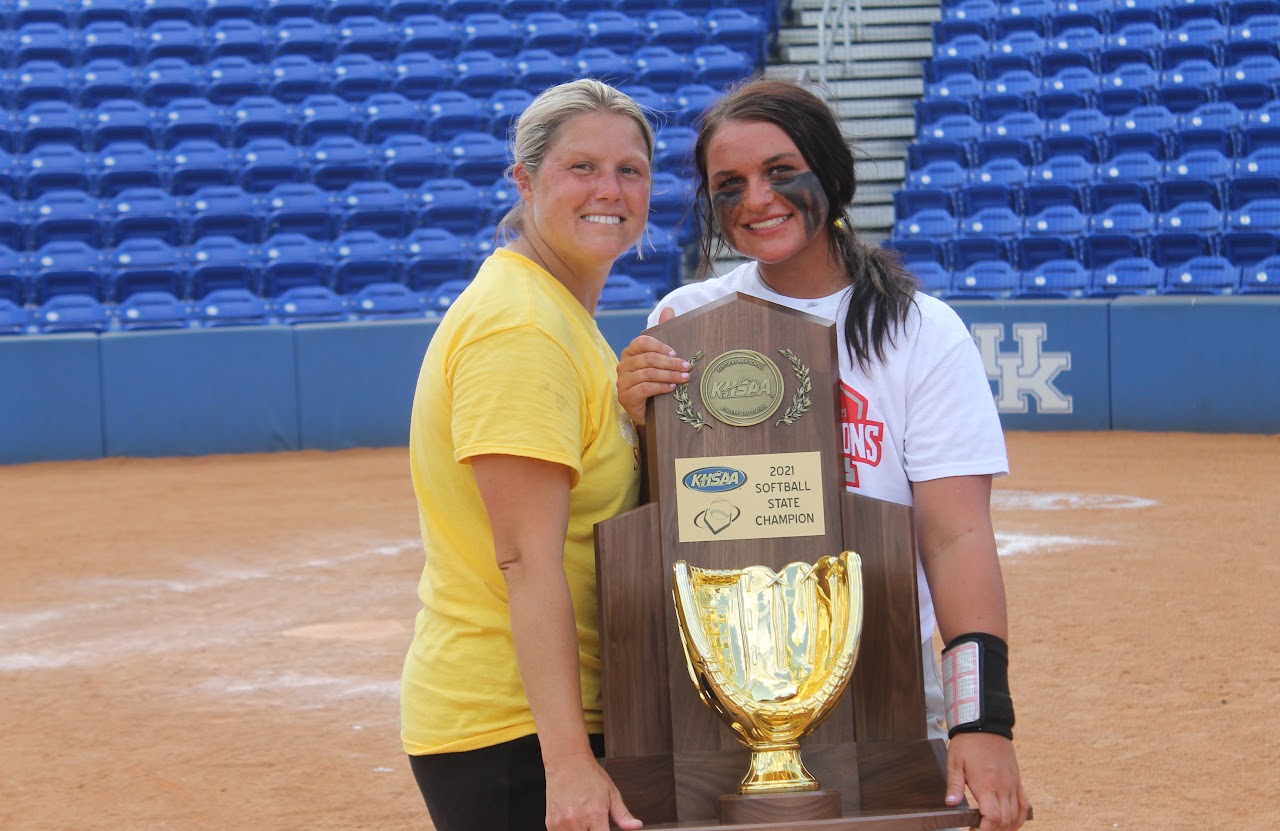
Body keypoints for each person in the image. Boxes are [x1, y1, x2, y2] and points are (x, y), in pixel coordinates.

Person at [617, 79, 1029, 831]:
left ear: (832, 174)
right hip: (715, 703)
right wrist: (634, 415)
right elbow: (649, 523)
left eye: (782, 171)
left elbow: (957, 534)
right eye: (729, 184)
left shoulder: (920, 332)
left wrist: (983, 719)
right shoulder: (684, 323)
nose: (757, 199)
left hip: (890, 700)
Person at [401, 78, 652, 831]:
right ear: (526, 180)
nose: (609, 189)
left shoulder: (557, 313)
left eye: (630, 170)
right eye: (582, 167)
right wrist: (568, 761)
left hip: (536, 721)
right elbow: (525, 558)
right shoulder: (522, 326)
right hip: (516, 731)